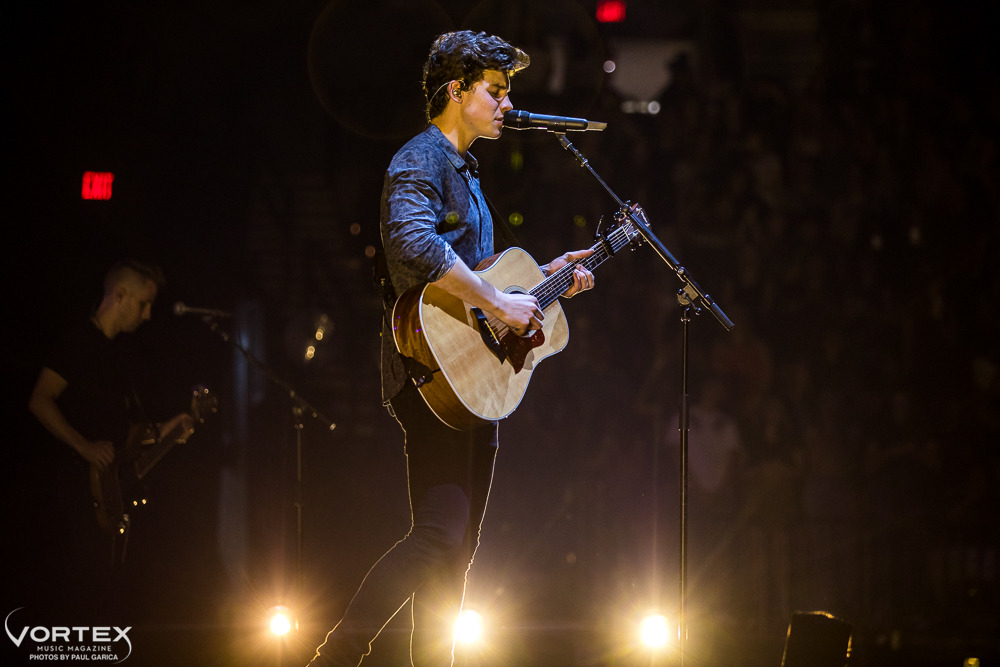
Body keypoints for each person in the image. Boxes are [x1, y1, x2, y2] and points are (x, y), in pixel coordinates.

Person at [308, 30, 595, 666]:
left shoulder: (466, 171)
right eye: (494, 91)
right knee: (439, 538)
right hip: (431, 369)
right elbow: (411, 244)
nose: (505, 104)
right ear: (455, 92)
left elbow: (480, 277)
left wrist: (546, 279)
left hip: (474, 375)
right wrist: (498, 302)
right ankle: (334, 656)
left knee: (455, 557)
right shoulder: (422, 157)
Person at [24, 259, 194, 618]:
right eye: (143, 304)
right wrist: (82, 445)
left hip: (107, 495)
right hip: (74, 494)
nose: (147, 315)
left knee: (107, 594)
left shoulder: (121, 354)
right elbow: (40, 398)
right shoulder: (78, 341)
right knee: (77, 596)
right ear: (120, 295)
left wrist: (167, 429)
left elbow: (127, 434)